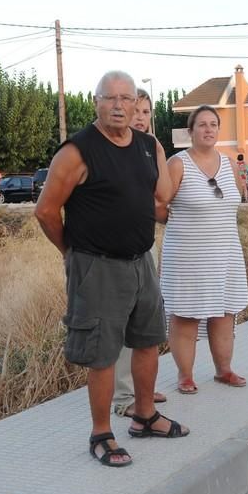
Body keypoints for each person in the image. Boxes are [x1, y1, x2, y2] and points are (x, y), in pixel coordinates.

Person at [35, 70, 187, 468]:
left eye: (127, 98)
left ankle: (144, 415)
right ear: (96, 102)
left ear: (138, 103)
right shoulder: (77, 152)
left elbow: (157, 199)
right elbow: (46, 211)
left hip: (141, 261)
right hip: (97, 265)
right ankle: (101, 433)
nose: (119, 106)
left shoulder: (144, 145)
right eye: (110, 98)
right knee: (102, 354)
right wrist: (71, 252)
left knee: (148, 340)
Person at [160, 105, 248, 394]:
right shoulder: (177, 164)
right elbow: (159, 205)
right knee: (186, 315)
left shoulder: (229, 164)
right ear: (191, 131)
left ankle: (224, 370)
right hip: (188, 256)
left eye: (213, 124)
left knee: (224, 313)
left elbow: (234, 201)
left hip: (225, 253)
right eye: (202, 125)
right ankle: (185, 375)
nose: (208, 129)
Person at [111, 86, 167, 418]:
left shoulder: (148, 150)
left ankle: (142, 389)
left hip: (145, 244)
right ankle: (123, 398)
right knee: (120, 323)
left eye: (147, 112)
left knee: (145, 320)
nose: (141, 118)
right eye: (137, 111)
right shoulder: (114, 149)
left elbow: (162, 199)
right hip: (115, 251)